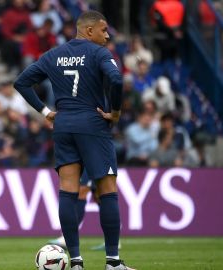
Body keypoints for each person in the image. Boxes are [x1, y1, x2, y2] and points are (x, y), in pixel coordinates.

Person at [14, 10, 134, 270]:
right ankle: (113, 262)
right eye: (103, 30)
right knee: (108, 191)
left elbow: (22, 82)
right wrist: (115, 111)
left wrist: (46, 112)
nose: (107, 35)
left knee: (68, 191)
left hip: (63, 125)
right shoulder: (99, 53)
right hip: (92, 124)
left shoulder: (54, 54)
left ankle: (76, 263)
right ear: (89, 30)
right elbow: (115, 78)